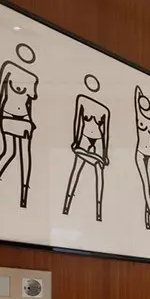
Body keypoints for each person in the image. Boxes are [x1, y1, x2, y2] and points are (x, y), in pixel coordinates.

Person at [0, 49, 39, 209]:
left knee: (25, 155)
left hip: (25, 118)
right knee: (9, 152)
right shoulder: (9, 68)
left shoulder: (32, 78)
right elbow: (0, 91)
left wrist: (31, 121)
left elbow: (29, 103)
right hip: (8, 114)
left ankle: (24, 196)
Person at [62, 83, 111, 222]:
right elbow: (78, 122)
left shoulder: (105, 110)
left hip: (98, 141)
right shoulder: (82, 100)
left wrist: (105, 154)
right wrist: (76, 140)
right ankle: (67, 205)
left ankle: (98, 212)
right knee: (77, 169)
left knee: (98, 172)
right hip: (84, 137)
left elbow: (105, 133)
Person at [133, 86, 150, 235]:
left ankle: (146, 221)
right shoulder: (139, 115)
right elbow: (137, 91)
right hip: (140, 152)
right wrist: (141, 98)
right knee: (145, 185)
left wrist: (148, 104)